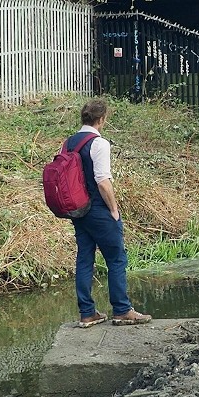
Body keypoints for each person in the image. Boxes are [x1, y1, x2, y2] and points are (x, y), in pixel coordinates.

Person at [64, 98, 152, 328]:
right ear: (101, 119)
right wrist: (114, 209)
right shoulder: (99, 143)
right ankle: (122, 310)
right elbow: (103, 181)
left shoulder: (68, 143)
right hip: (98, 209)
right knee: (116, 258)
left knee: (85, 259)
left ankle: (87, 313)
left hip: (78, 210)